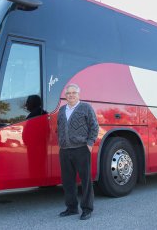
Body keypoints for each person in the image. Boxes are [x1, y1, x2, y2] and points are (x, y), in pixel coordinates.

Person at [57, 83, 99, 220]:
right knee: (68, 181)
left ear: (78, 94)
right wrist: (61, 143)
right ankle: (71, 208)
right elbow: (59, 128)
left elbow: (94, 126)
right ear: (65, 96)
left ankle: (87, 209)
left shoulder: (86, 108)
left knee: (86, 180)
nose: (71, 95)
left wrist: (90, 144)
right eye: (68, 93)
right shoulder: (62, 110)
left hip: (81, 149)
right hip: (65, 150)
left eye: (73, 93)